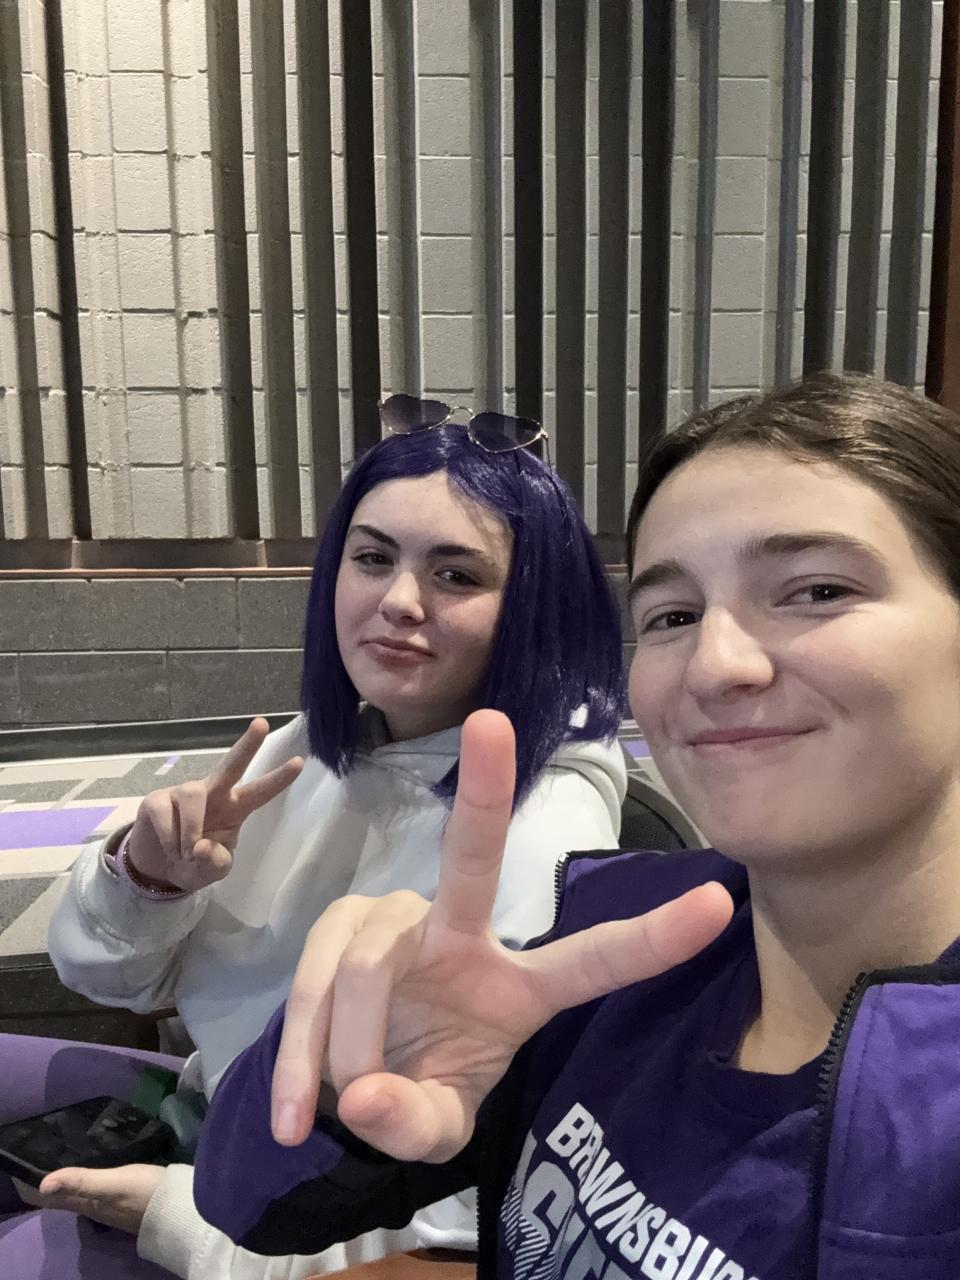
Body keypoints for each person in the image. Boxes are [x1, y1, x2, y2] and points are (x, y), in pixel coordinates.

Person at [194, 371, 960, 1280]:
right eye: (673, 615)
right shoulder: (613, 942)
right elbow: (251, 1205)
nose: (715, 664)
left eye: (817, 590)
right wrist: (340, 1080)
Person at [3, 405, 629, 1280]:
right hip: (214, 1113)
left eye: (455, 574)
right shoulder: (315, 747)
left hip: (279, 1223)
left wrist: (172, 1215)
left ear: (532, 608)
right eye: (372, 558)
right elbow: (109, 978)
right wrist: (146, 881)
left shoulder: (542, 840)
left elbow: (457, 1230)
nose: (398, 601)